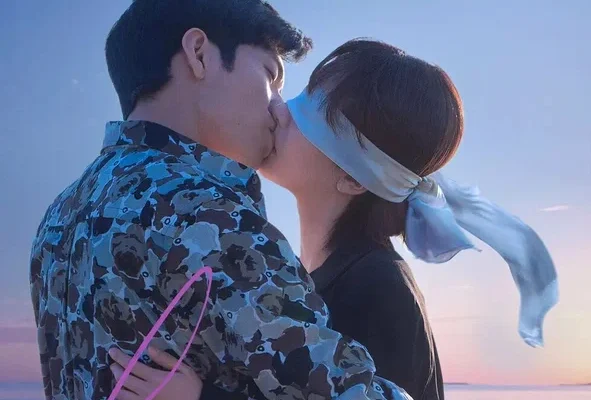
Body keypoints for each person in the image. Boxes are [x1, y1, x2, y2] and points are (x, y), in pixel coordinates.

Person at [107, 39, 559, 400]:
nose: (279, 109)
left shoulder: (379, 289)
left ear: (353, 178)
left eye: (313, 112)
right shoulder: (311, 276)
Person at [29, 1, 412, 399]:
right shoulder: (208, 214)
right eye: (270, 76)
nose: (278, 107)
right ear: (199, 54)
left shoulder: (57, 218)